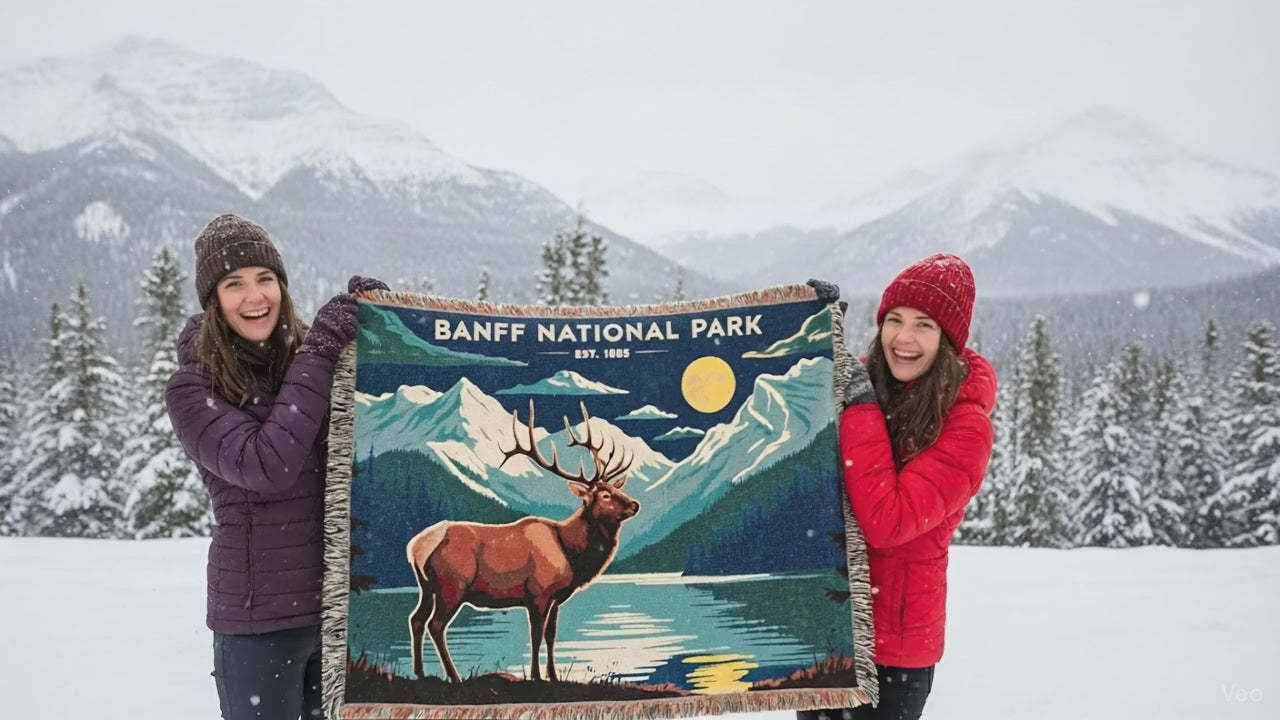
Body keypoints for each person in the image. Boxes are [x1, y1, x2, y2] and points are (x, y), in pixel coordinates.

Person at [165, 213, 387, 720]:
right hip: (257, 624)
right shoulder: (193, 389)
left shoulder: (306, 362)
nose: (255, 296)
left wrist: (382, 326)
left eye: (265, 278)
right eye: (234, 284)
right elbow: (269, 465)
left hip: (337, 613)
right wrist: (322, 350)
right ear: (213, 301)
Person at [803, 254, 997, 720]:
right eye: (895, 320)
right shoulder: (865, 385)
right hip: (830, 631)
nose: (904, 338)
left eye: (923, 325)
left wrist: (861, 406)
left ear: (947, 340)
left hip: (893, 651)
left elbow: (887, 522)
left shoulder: (966, 427)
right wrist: (807, 334)